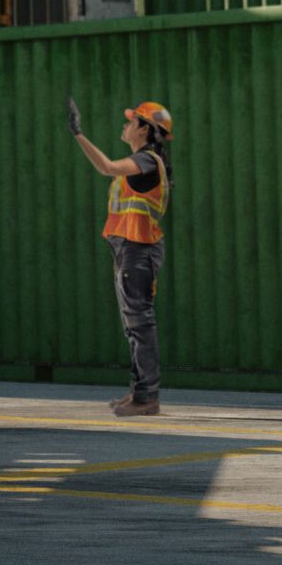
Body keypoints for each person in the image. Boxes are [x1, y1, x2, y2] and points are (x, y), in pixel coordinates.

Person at [66, 96, 174, 417]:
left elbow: (107, 167)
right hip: (129, 249)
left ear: (144, 129)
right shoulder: (144, 162)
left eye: (131, 121)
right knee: (133, 325)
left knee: (140, 323)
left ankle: (147, 398)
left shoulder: (147, 160)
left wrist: (78, 135)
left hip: (138, 249)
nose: (125, 126)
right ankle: (139, 393)